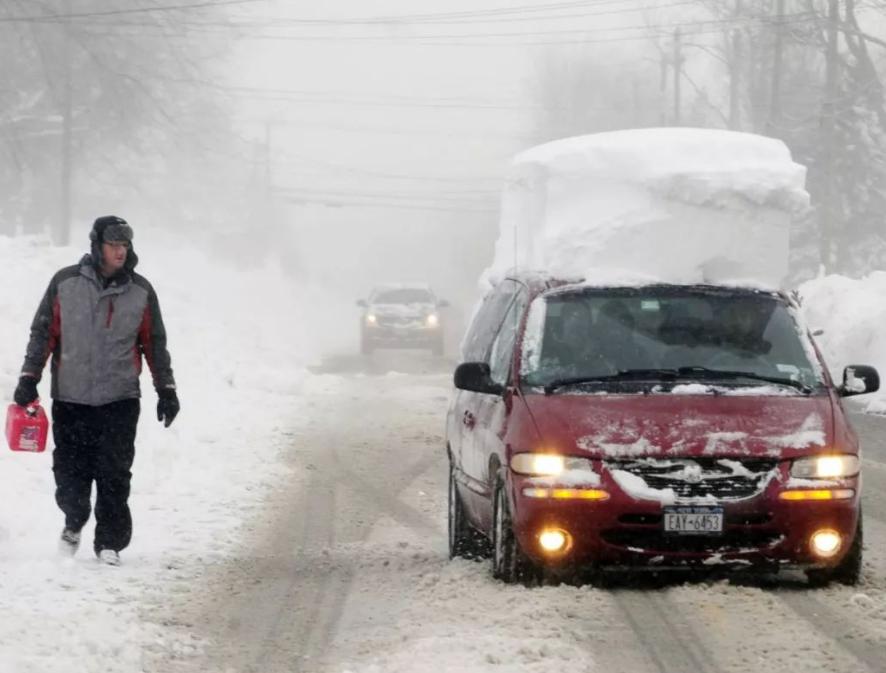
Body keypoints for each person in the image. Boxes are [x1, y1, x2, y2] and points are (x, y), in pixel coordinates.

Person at [13, 215, 179, 566]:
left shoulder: (141, 291)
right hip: (71, 398)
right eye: (113, 244)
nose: (121, 251)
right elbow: (43, 334)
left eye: (125, 245)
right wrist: (29, 377)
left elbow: (154, 343)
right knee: (69, 471)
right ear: (97, 246)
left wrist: (166, 389)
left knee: (114, 472)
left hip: (119, 399)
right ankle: (74, 519)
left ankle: (109, 543)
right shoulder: (65, 284)